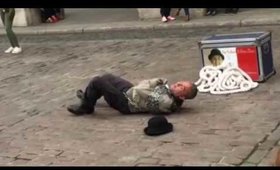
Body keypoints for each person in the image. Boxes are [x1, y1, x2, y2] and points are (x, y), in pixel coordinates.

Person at [67, 73, 198, 115]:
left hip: (127, 103)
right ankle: (88, 97)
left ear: (182, 97)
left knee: (98, 81)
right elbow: (146, 83)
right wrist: (156, 85)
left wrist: (158, 84)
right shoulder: (167, 91)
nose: (178, 84)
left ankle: (86, 106)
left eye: (182, 87)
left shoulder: (167, 102)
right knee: (107, 77)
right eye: (180, 83)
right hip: (131, 92)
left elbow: (141, 89)